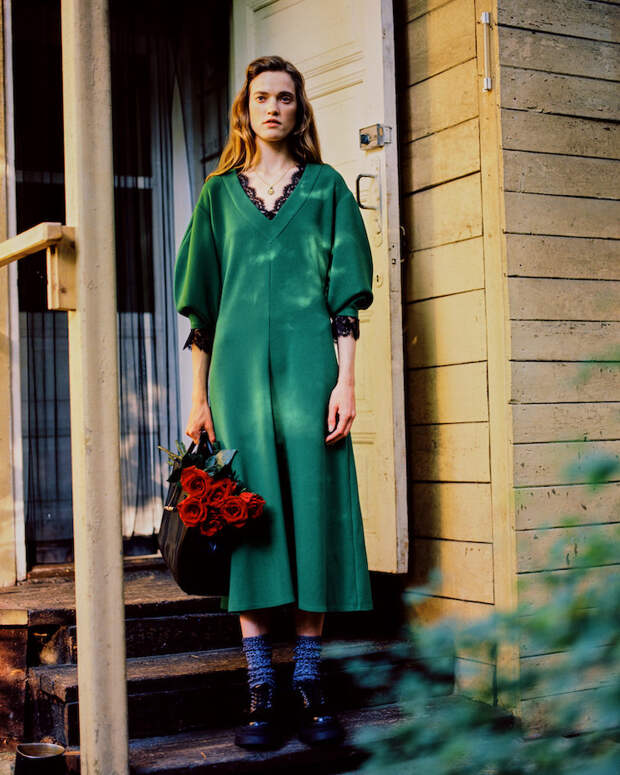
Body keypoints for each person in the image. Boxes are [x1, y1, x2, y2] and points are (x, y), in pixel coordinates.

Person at [174, 54, 375, 751]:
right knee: (248, 519)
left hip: (310, 373)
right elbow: (201, 312)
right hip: (233, 380)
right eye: (261, 97)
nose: (273, 108)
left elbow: (346, 300)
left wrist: (346, 382)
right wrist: (198, 399)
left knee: (314, 513)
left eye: (285, 98)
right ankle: (261, 686)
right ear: (246, 109)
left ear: (299, 109)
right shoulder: (216, 195)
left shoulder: (327, 188)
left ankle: (310, 682)